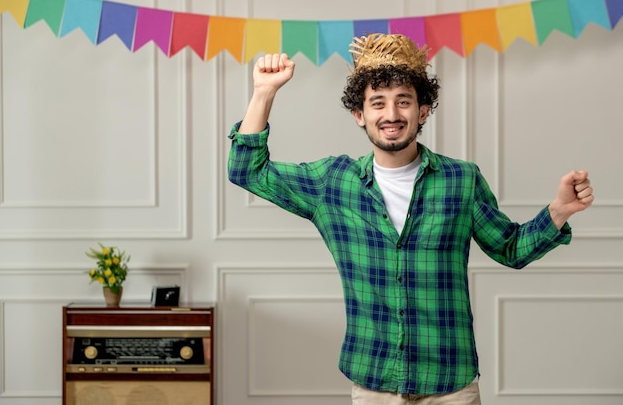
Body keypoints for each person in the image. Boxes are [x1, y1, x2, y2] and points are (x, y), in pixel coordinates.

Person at [227, 33, 594, 405]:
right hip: (373, 383)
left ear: (422, 111)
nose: (391, 114)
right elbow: (247, 171)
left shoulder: (460, 180)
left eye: (403, 102)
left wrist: (559, 211)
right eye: (378, 103)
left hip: (450, 384)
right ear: (360, 114)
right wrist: (264, 92)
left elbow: (511, 248)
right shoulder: (332, 183)